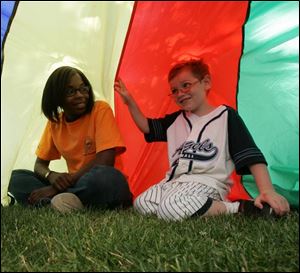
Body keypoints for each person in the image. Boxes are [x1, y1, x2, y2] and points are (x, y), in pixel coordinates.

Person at [114, 59, 290, 221]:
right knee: (142, 203)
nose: (180, 93)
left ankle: (239, 207)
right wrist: (129, 102)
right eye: (174, 90)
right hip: (172, 183)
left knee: (170, 208)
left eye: (186, 85)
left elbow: (251, 155)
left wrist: (267, 191)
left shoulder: (225, 116)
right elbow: (147, 127)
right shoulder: (175, 120)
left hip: (206, 183)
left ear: (206, 83)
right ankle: (191, 206)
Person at [8, 66, 132, 212]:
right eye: (71, 91)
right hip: (74, 186)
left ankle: (55, 200)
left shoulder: (100, 110)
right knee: (15, 177)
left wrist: (57, 187)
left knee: (106, 177)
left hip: (103, 184)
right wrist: (51, 176)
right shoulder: (56, 123)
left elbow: (106, 160)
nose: (80, 95)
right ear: (57, 98)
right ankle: (66, 202)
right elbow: (39, 165)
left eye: (83, 89)